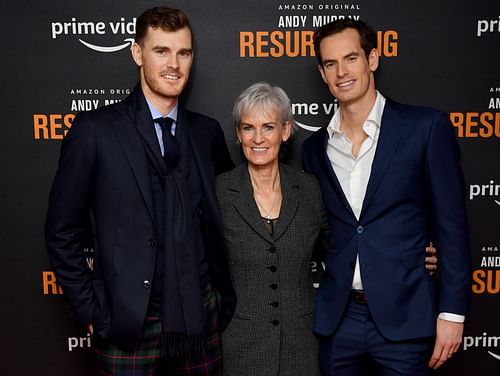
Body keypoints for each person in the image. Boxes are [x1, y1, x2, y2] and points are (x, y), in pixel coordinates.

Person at [45, 7, 235, 375]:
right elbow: (61, 231)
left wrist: (220, 300)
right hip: (127, 322)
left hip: (199, 316)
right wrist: (93, 311)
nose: (174, 64)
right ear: (137, 53)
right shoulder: (95, 131)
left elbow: (221, 219)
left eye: (184, 52)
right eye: (161, 51)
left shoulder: (205, 133)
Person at [302, 19, 471, 375]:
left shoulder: (424, 128)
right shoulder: (314, 149)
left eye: (351, 58)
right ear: (322, 73)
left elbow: (452, 227)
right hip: (339, 320)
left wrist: (452, 313)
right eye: (331, 64)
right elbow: (322, 231)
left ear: (372, 59)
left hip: (406, 319)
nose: (342, 72)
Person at [216, 82, 327, 375]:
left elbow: (343, 247)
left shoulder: (309, 189)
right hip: (240, 347)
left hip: (301, 347)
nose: (258, 138)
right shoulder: (220, 191)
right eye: (248, 128)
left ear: (286, 131)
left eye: (268, 127)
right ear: (239, 134)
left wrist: (404, 255)